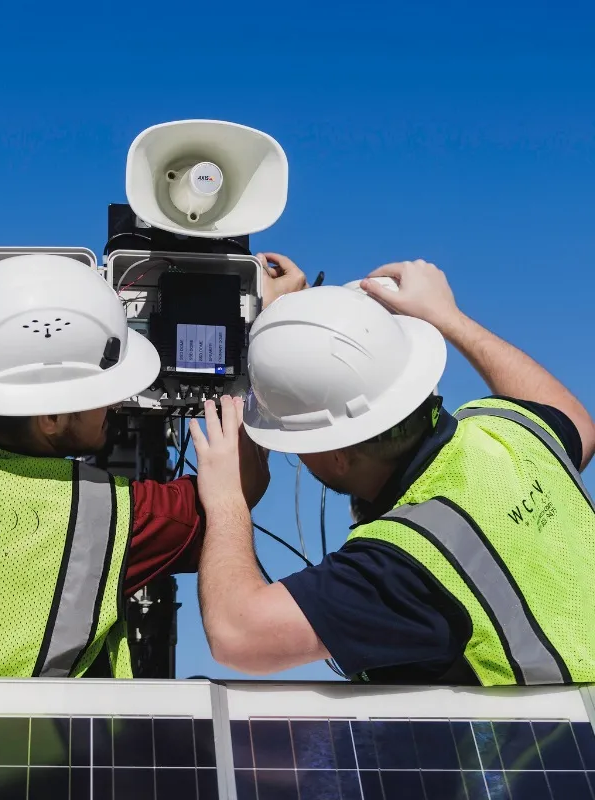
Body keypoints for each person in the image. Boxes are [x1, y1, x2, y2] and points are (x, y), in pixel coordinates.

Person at [0, 253, 268, 679]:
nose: (114, 402)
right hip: (34, 754)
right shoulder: (105, 515)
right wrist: (268, 337)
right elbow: (234, 490)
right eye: (102, 389)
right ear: (52, 419)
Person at [192, 257, 595, 685]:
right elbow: (577, 424)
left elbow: (237, 635)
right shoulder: (507, 431)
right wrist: (449, 318)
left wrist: (226, 500)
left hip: (543, 753)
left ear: (340, 455)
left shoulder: (405, 561)